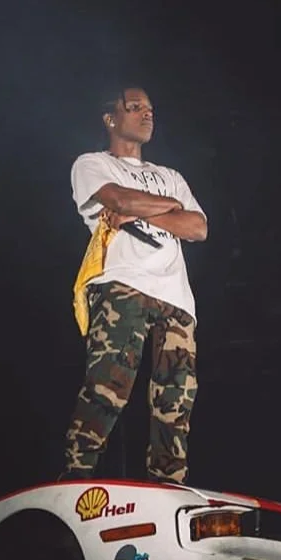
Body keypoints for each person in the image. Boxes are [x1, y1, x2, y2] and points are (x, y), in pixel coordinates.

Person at [59, 85, 207, 484]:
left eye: (150, 108)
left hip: (176, 297)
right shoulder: (91, 164)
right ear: (111, 119)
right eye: (135, 107)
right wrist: (169, 207)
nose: (147, 114)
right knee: (108, 386)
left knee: (176, 397)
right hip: (121, 284)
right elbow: (119, 200)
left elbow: (197, 227)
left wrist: (145, 210)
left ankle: (168, 482)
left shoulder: (170, 176)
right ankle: (76, 476)